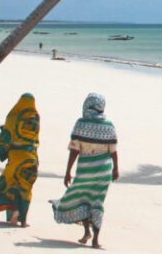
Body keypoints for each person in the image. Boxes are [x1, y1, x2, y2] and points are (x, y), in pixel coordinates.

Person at [51, 93, 119, 249]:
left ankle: (87, 231)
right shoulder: (109, 125)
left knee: (80, 199)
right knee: (97, 203)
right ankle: (94, 239)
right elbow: (113, 150)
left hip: (86, 171)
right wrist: (116, 169)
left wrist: (68, 171)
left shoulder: (81, 124)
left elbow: (74, 150)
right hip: (103, 171)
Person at [0, 93, 40, 227]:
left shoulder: (13, 116)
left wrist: (2, 151)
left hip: (16, 157)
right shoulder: (35, 118)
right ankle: (23, 220)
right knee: (25, 188)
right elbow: (35, 140)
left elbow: (7, 136)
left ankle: (13, 216)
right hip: (31, 158)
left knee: (11, 184)